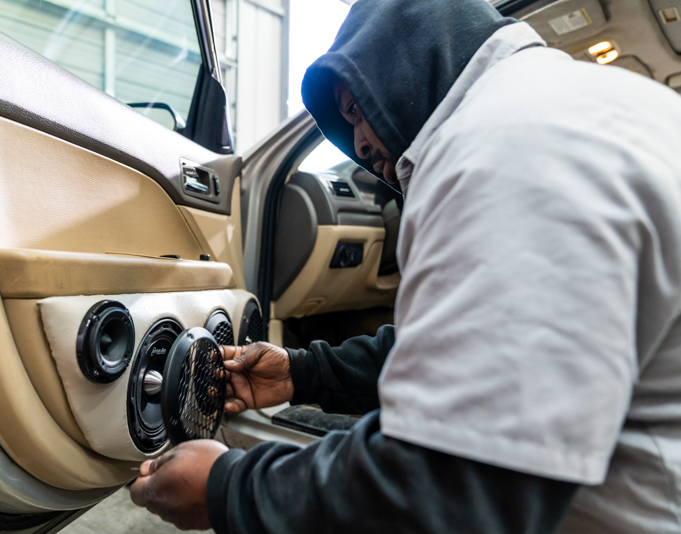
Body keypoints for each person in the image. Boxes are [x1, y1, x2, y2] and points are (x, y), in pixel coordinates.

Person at [130, 0, 681, 531]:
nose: (359, 144)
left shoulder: (505, 155)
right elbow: (469, 351)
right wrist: (305, 372)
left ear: (407, 54)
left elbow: (450, 489)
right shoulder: (571, 105)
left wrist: (228, 487)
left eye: (355, 110)